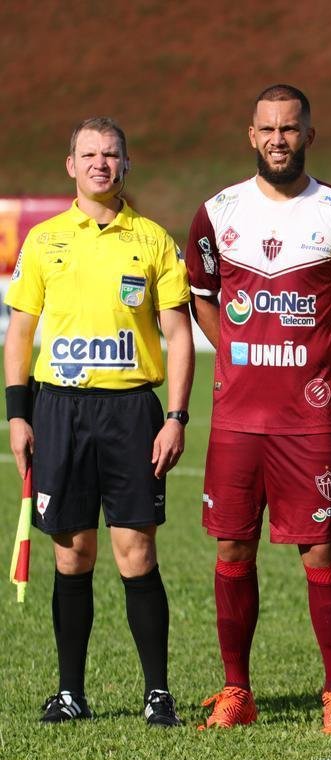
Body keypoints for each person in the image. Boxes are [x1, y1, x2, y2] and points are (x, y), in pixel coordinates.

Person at [184, 84, 331, 734]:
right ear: (252, 135)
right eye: (268, 128)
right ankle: (236, 692)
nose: (279, 138)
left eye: (291, 128)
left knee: (320, 553)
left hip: (311, 421)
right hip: (238, 420)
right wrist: (237, 353)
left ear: (309, 135)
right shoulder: (217, 214)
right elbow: (204, 297)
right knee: (233, 547)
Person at [4, 116, 195, 727]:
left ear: (125, 165)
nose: (100, 164)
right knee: (72, 553)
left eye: (111, 154)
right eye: (89, 155)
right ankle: (70, 693)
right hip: (59, 409)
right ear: (71, 165)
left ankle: (157, 693)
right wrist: (18, 415)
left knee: (136, 551)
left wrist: (176, 416)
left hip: (132, 410)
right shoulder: (44, 240)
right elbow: (21, 334)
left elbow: (178, 335)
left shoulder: (155, 240)